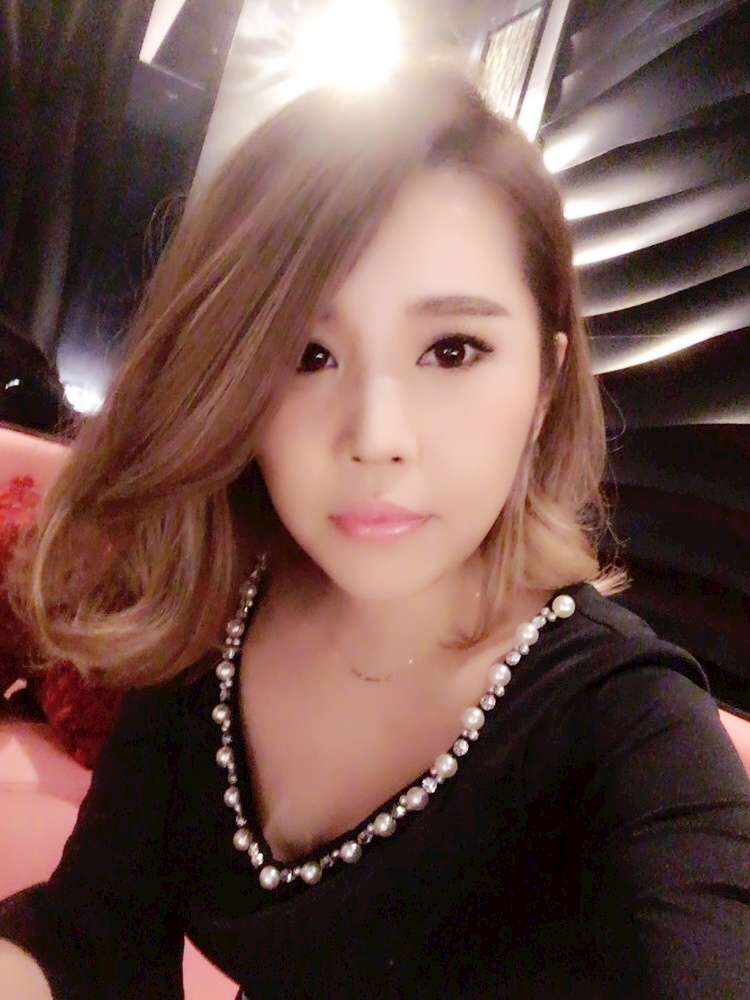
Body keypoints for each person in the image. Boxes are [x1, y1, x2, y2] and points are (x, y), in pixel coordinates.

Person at [0, 61, 748, 999]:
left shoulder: (630, 730)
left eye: (453, 350)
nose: (376, 437)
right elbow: (90, 938)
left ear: (544, 385)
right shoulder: (215, 624)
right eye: (307, 354)